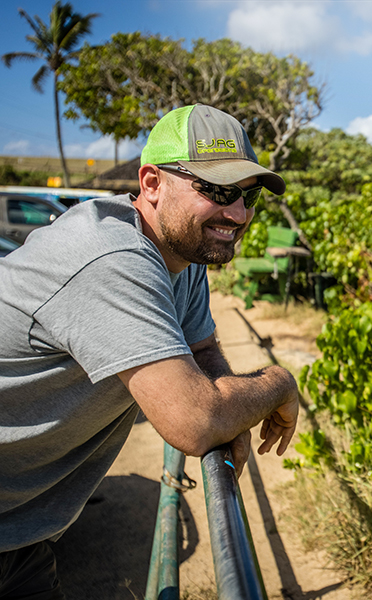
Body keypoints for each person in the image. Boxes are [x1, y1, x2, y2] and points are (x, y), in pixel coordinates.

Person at [0, 104, 300, 599]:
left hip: (21, 532)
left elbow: (202, 346)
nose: (239, 214)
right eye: (218, 191)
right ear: (153, 183)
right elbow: (195, 420)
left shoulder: (185, 255)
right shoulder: (113, 258)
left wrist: (234, 415)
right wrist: (277, 385)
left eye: (248, 197)